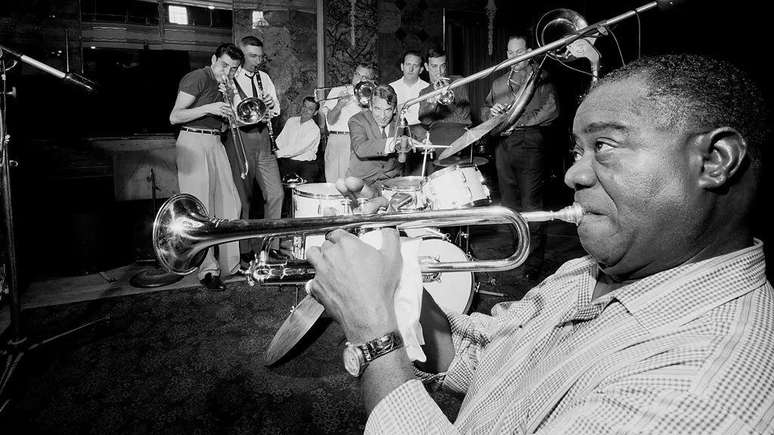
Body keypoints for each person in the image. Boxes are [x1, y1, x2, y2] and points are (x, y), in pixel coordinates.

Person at [307, 54, 774, 433]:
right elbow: (483, 361)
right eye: (578, 150)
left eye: (605, 146)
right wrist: (389, 270)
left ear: (714, 160)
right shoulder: (585, 272)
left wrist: (373, 336)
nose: (574, 173)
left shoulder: (696, 390)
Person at [483, 34, 559, 281]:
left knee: (531, 206)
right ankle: (519, 252)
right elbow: (485, 110)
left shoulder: (541, 78)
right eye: (511, 53)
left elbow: (551, 110)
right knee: (509, 204)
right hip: (503, 146)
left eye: (519, 52)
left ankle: (534, 261)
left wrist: (520, 122)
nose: (515, 58)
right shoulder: (498, 84)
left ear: (530, 51)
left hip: (530, 145)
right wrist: (491, 113)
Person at [169, 43, 243, 291]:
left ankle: (231, 265)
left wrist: (227, 106)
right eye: (224, 65)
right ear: (213, 59)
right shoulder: (198, 77)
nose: (227, 72)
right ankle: (208, 270)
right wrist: (209, 107)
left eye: (233, 69)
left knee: (230, 203)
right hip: (193, 140)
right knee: (201, 209)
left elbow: (222, 125)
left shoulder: (226, 86)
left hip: (214, 142)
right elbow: (175, 116)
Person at [222, 36, 283, 262]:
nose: (257, 61)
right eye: (252, 56)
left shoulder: (263, 78)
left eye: (260, 56)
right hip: (239, 137)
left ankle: (271, 245)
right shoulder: (230, 76)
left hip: (263, 138)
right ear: (241, 53)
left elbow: (276, 108)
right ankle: (244, 249)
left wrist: (269, 105)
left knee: (276, 193)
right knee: (243, 198)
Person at [346, 84, 423, 186]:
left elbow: (411, 140)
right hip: (361, 183)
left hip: (391, 182)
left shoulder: (400, 122)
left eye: (388, 110)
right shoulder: (357, 120)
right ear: (370, 106)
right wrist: (393, 142)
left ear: (395, 109)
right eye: (378, 109)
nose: (382, 116)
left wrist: (423, 144)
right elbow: (361, 148)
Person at [321, 63, 376, 182]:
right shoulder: (338, 90)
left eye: (364, 77)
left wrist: (365, 102)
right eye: (357, 74)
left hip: (359, 141)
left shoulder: (372, 93)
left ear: (371, 80)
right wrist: (340, 104)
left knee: (354, 183)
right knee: (333, 183)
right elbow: (330, 120)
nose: (359, 79)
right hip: (337, 140)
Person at [418, 47, 472, 155]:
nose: (439, 71)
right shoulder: (424, 92)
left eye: (442, 66)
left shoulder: (458, 81)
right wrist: (434, 101)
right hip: (437, 137)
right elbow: (425, 121)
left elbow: (464, 115)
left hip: (460, 135)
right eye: (434, 66)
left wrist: (449, 91)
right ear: (426, 67)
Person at [276, 96, 322, 183]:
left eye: (310, 109)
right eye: (304, 106)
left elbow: (299, 148)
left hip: (305, 167)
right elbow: (280, 140)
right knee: (284, 192)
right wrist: (273, 151)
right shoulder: (291, 121)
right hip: (287, 162)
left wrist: (277, 154)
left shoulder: (314, 129)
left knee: (302, 194)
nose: (305, 110)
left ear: (315, 113)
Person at [389, 50, 429, 138]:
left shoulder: (428, 89)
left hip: (420, 133)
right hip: (395, 131)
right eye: (408, 64)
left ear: (421, 70)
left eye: (415, 65)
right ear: (402, 66)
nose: (411, 69)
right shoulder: (391, 88)